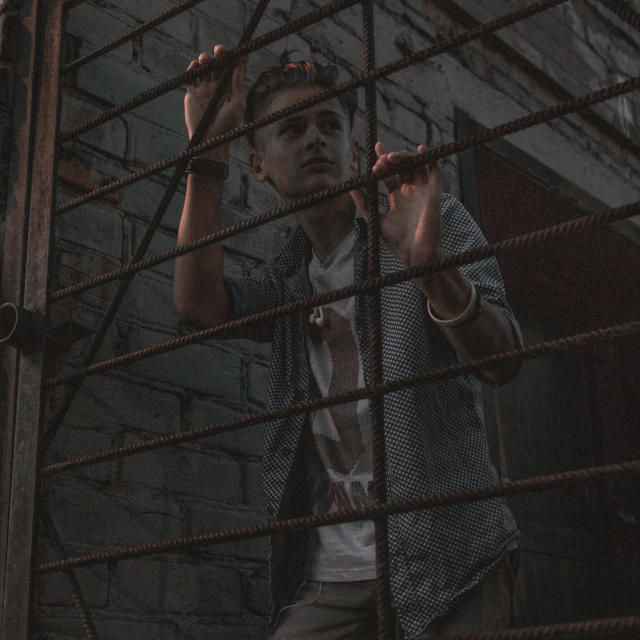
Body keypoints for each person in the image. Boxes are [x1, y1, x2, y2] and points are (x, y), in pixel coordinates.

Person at [174, 44, 523, 640]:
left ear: (354, 150)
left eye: (330, 125)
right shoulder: (288, 279)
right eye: (292, 128)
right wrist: (208, 151)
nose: (314, 139)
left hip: (451, 558)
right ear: (257, 165)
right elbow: (198, 306)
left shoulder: (426, 221)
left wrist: (430, 269)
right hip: (332, 575)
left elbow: (504, 359)